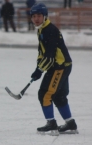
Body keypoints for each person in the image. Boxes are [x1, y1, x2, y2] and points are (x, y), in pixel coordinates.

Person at [29, 3, 78, 135]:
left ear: (45, 16)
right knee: (59, 96)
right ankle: (70, 123)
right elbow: (42, 53)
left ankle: (51, 124)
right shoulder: (42, 29)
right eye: (33, 16)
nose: (36, 18)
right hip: (62, 65)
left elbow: (49, 57)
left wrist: (39, 70)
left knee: (45, 94)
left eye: (39, 15)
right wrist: (38, 67)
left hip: (59, 66)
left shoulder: (49, 30)